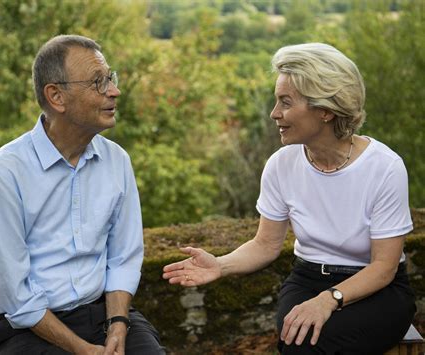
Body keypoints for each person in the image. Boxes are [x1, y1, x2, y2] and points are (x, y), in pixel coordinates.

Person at [163, 43, 416, 354]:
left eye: (285, 102)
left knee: (315, 341)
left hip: (378, 290)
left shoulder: (384, 167)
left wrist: (328, 300)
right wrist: (220, 264)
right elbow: (265, 245)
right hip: (307, 279)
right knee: (299, 338)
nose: (274, 114)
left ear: (325, 109)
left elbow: (383, 267)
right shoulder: (281, 164)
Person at [0, 34, 165, 354]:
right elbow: (15, 295)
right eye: (97, 82)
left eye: (110, 79)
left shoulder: (117, 160)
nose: (114, 91)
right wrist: (82, 349)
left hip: (102, 313)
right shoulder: (3, 173)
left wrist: (118, 325)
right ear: (56, 97)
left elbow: (123, 257)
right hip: (27, 326)